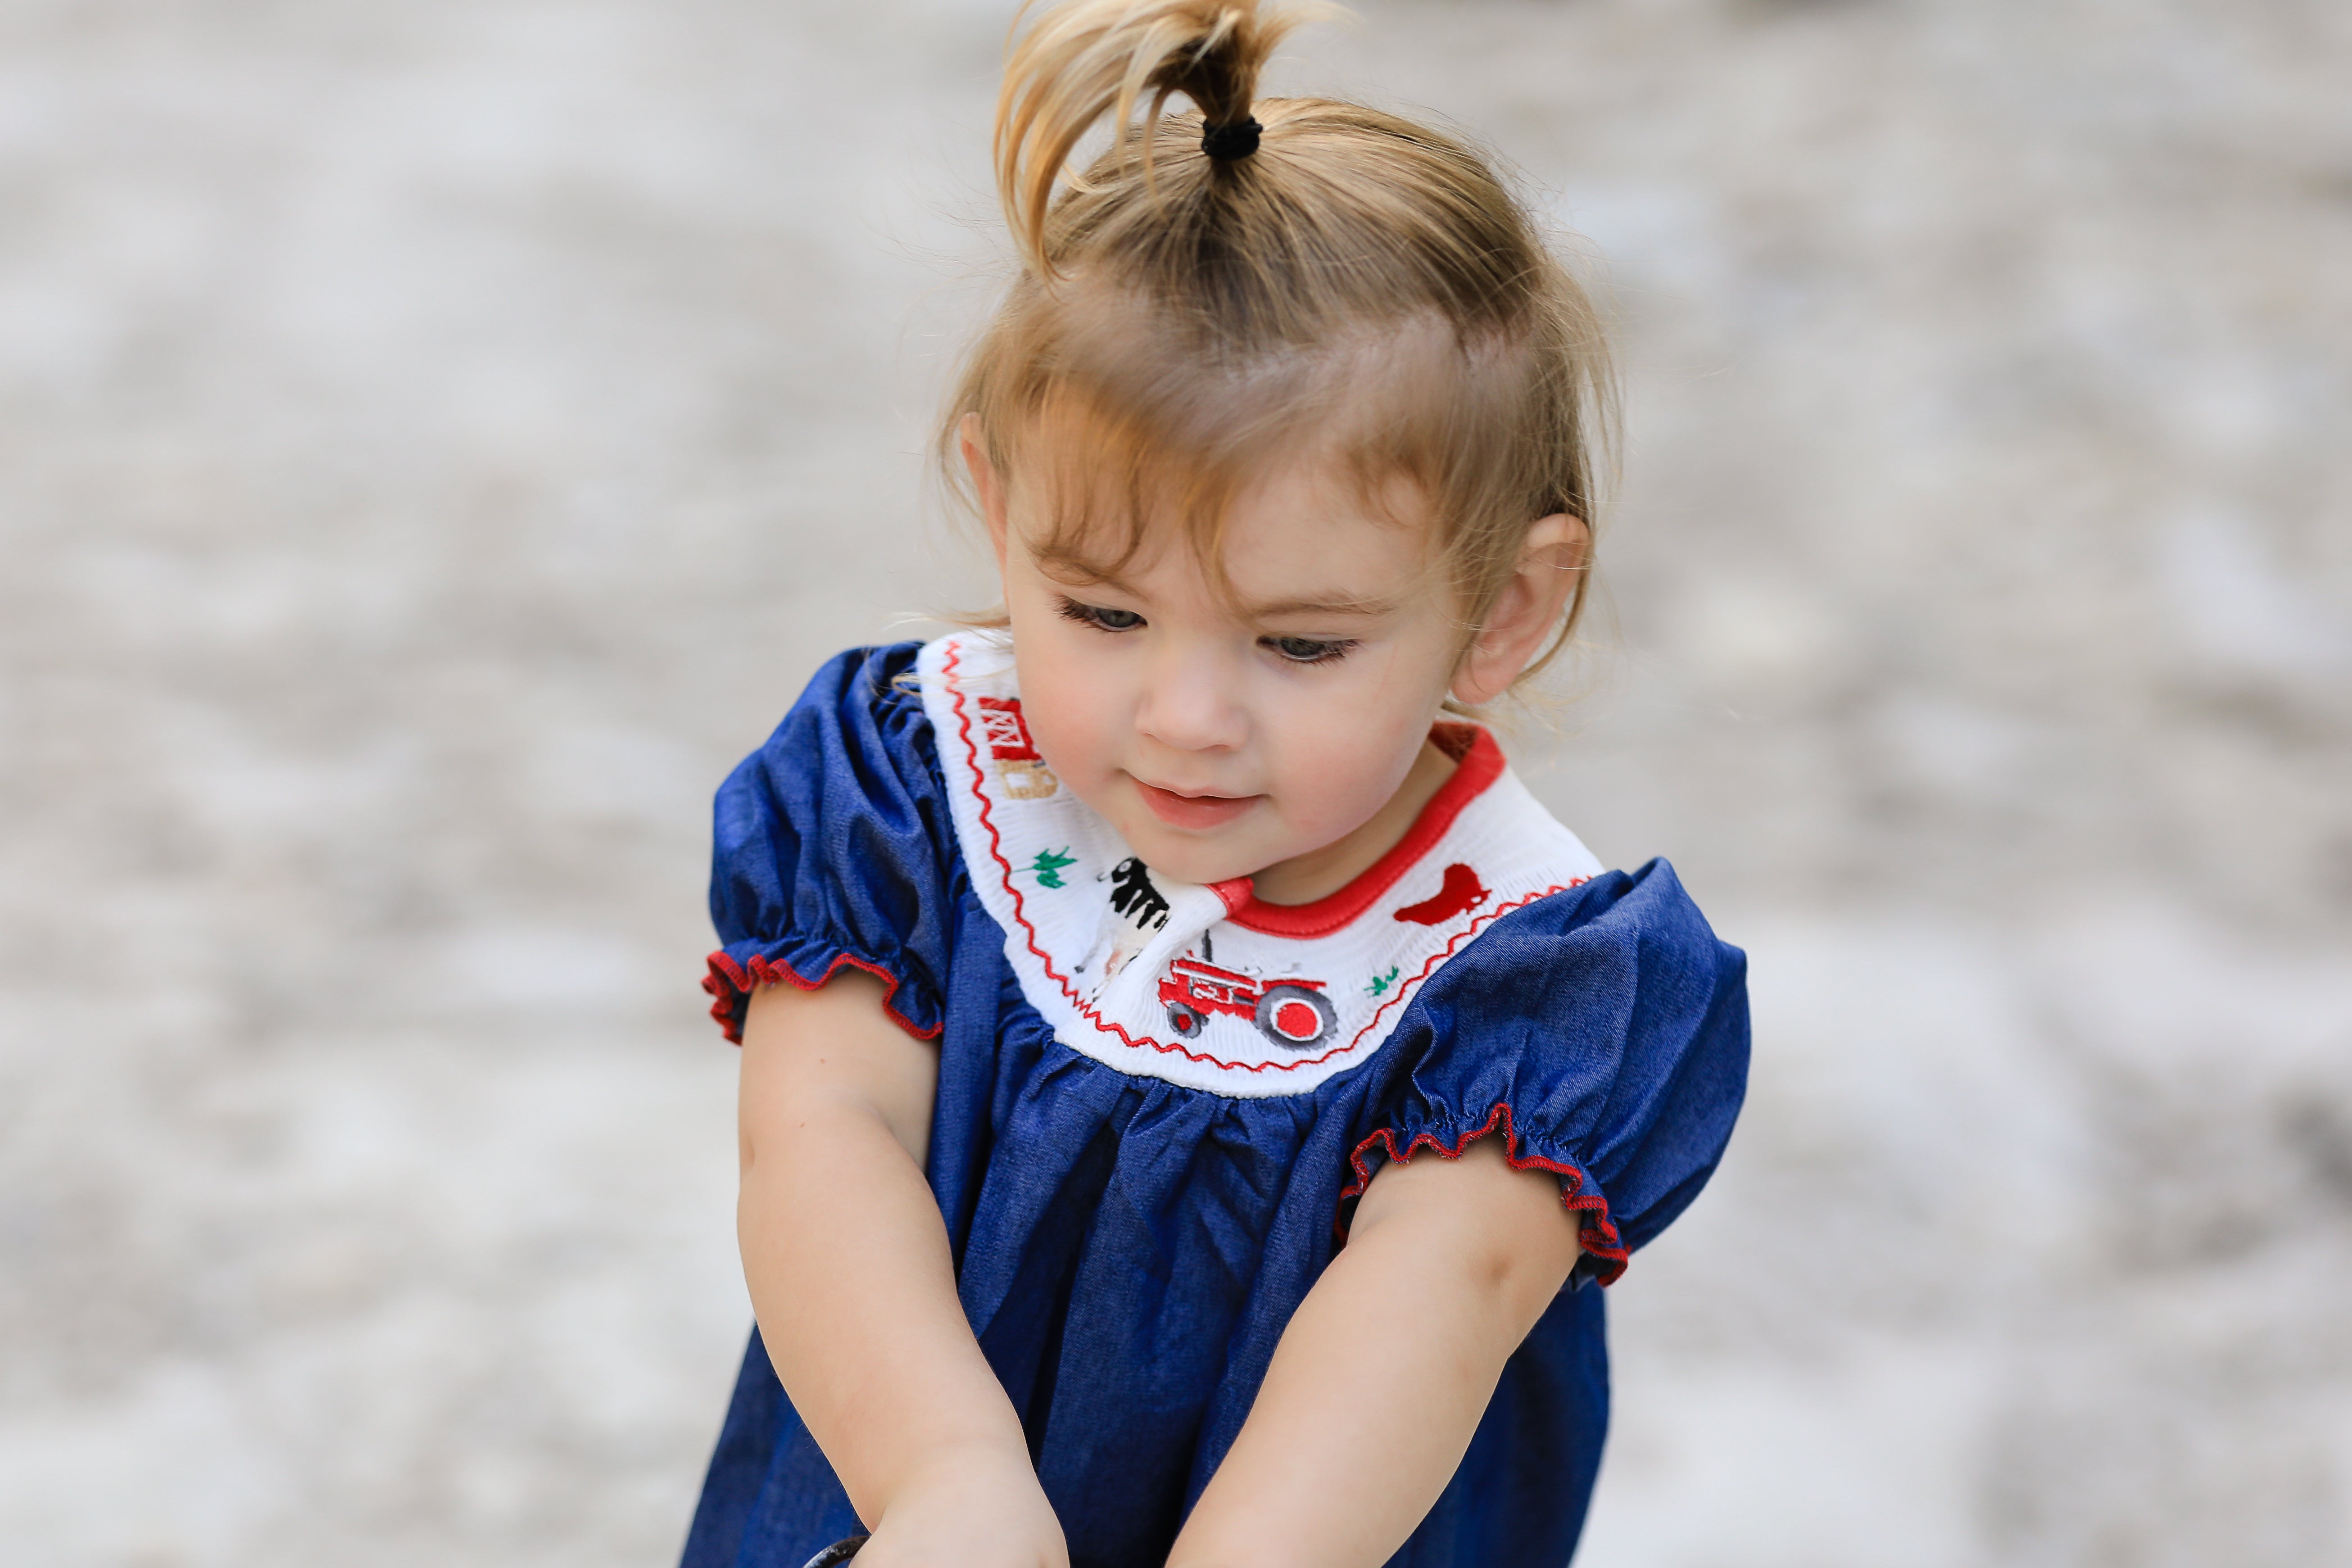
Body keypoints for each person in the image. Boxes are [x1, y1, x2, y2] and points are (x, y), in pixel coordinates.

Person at [679, 3, 1749, 1565]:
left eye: (1300, 644)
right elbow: (821, 1128)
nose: (1183, 720)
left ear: (1501, 609)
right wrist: (945, 1478)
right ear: (1000, 505)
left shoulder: (1520, 983)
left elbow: (1436, 1299)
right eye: (1103, 613)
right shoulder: (921, 785)